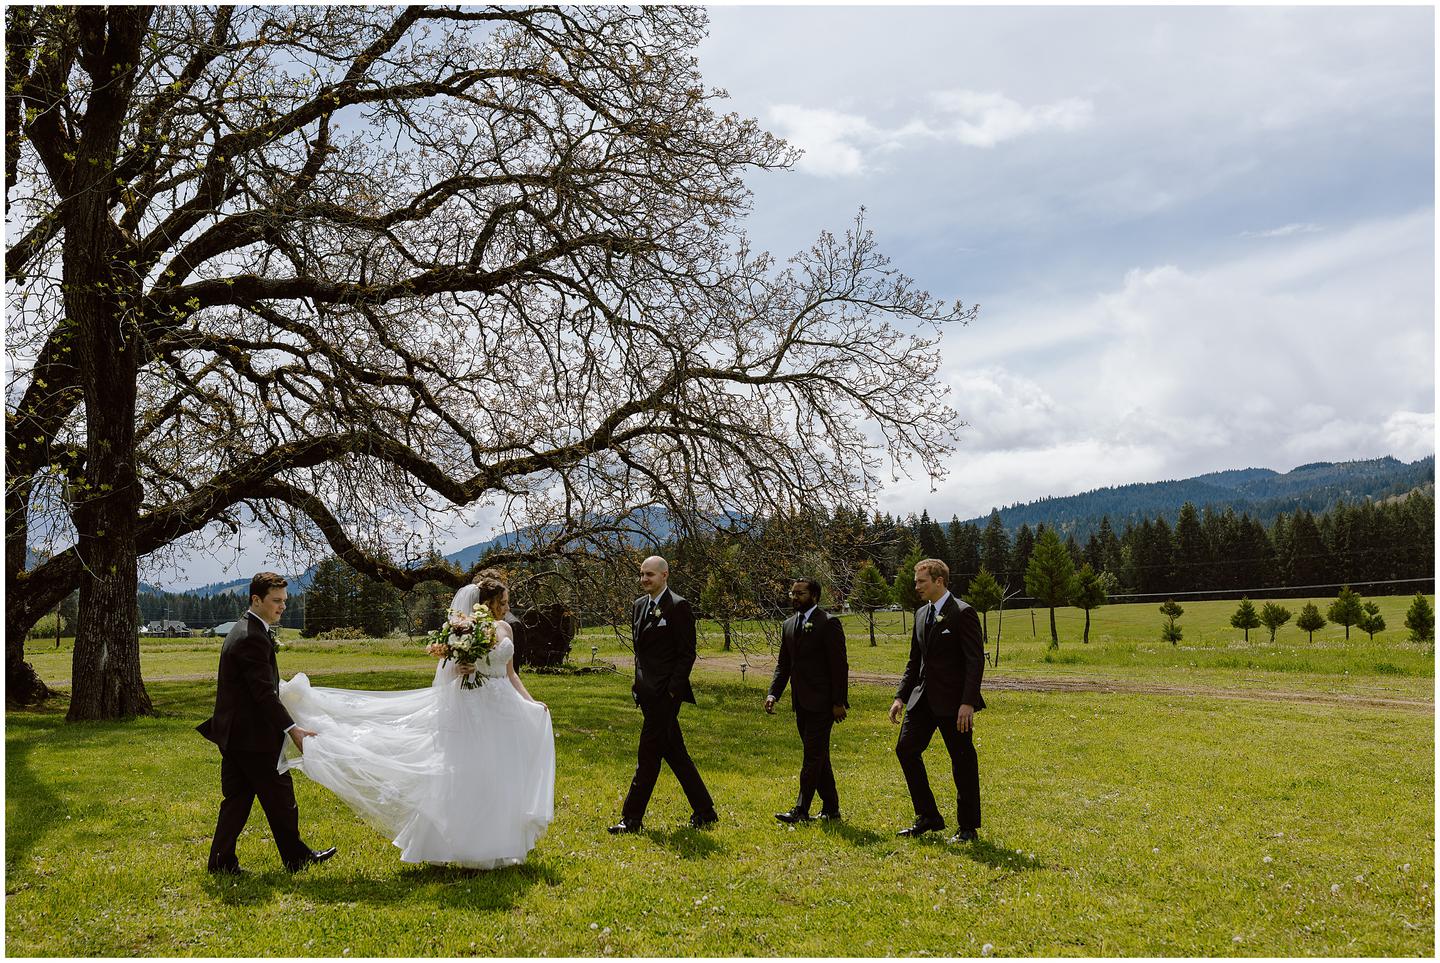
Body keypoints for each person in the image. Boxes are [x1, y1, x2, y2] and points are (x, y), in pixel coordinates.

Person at [279, 572, 555, 869]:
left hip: (505, 708)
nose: (506, 607)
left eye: (507, 602)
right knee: (473, 772)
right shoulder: (466, 629)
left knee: (502, 773)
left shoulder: (505, 629)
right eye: (502, 602)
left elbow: (511, 673)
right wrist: (463, 668)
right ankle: (468, 846)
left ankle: (503, 843)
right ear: (485, 603)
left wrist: (530, 701)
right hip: (477, 706)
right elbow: (448, 671)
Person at [197, 571, 336, 874]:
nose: (282, 606)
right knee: (280, 797)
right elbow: (263, 695)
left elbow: (257, 686)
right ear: (256, 600)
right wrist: (293, 729)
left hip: (236, 734)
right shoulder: (251, 638)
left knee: (238, 799)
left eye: (285, 601)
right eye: (276, 601)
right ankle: (296, 858)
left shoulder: (246, 630)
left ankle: (221, 863)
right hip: (252, 737)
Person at [610, 555, 718, 833]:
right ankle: (705, 811)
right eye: (642, 574)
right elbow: (641, 654)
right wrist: (638, 686)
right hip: (646, 693)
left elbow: (686, 654)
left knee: (648, 754)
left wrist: (672, 692)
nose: (644, 579)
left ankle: (631, 818)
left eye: (650, 575)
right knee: (675, 753)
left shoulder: (678, 607)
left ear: (665, 575)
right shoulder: (638, 606)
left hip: (665, 697)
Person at [889, 557, 986, 844]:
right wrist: (900, 697)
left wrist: (967, 703)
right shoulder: (921, 614)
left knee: (962, 761)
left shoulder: (963, 613)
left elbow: (974, 661)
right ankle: (929, 816)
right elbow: (914, 661)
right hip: (922, 701)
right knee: (906, 750)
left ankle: (968, 827)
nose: (916, 586)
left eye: (921, 581)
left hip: (955, 704)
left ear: (939, 581)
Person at [765, 578, 849, 823]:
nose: (794, 597)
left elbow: (839, 666)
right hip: (800, 702)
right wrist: (773, 693)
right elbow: (784, 664)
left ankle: (801, 810)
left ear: (814, 596)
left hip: (824, 703)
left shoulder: (828, 623)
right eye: (792, 592)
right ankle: (831, 808)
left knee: (812, 756)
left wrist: (838, 701)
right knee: (819, 755)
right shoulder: (788, 624)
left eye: (800, 593)